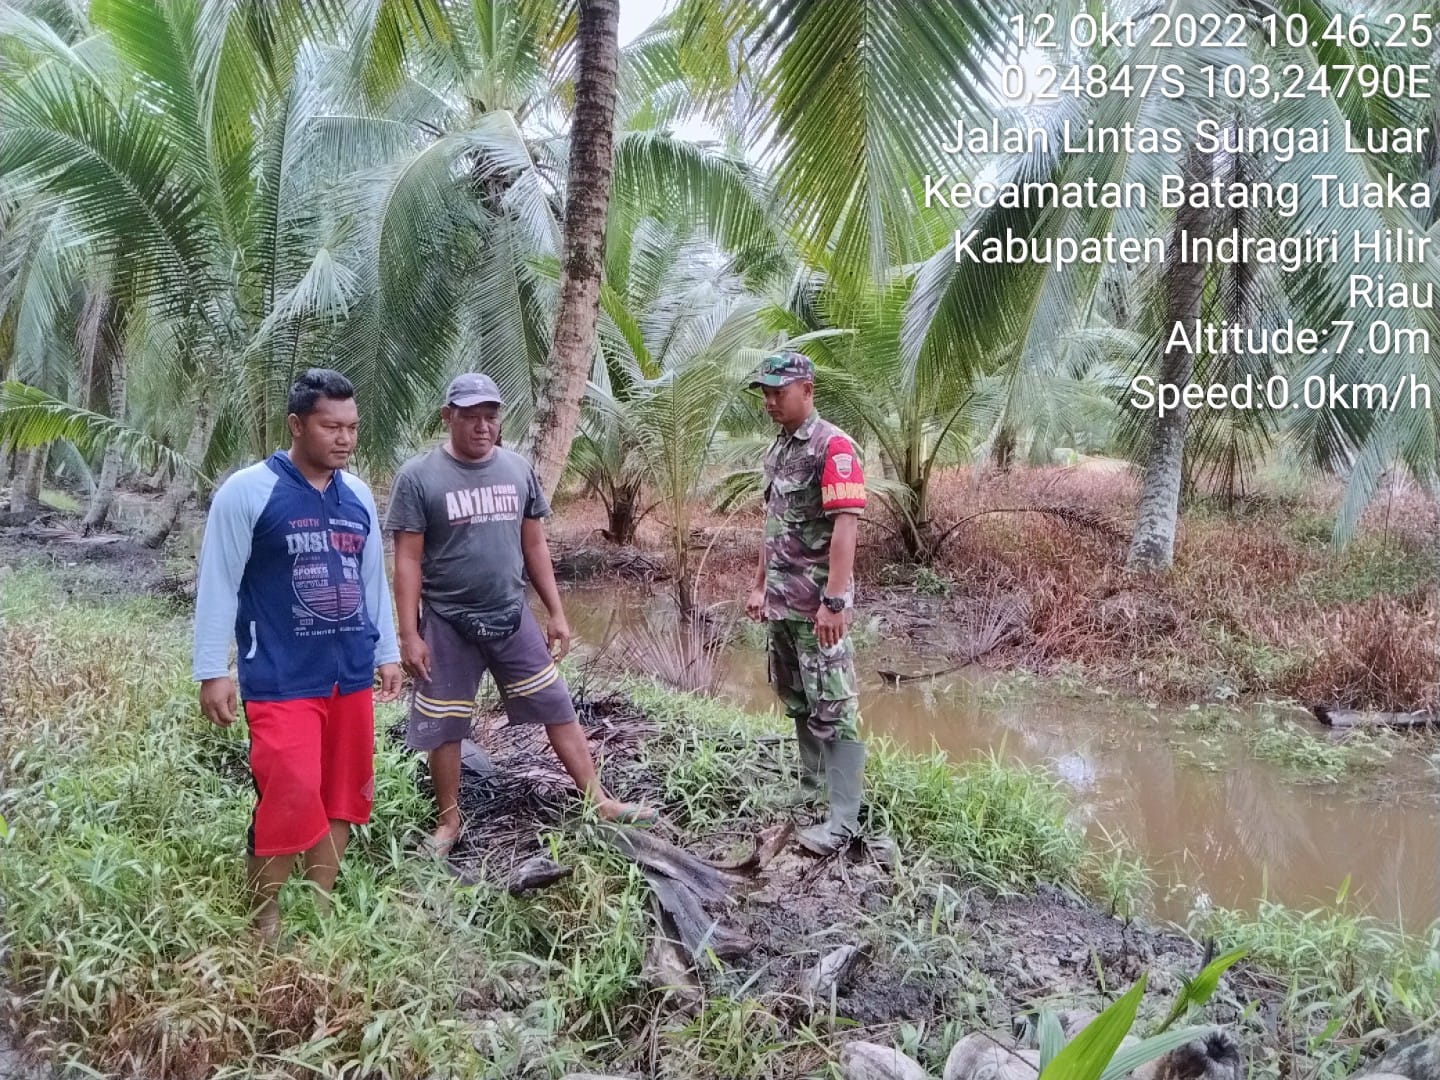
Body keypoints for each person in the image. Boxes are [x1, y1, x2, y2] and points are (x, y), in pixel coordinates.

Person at [385, 373, 656, 857]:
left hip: (511, 615)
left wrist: (556, 611)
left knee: (556, 702)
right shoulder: (419, 477)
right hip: (447, 621)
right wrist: (409, 633)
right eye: (470, 417)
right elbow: (407, 559)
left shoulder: (516, 469)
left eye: (490, 416)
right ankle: (449, 821)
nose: (482, 426)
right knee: (445, 724)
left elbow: (534, 543)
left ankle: (598, 799)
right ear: (448, 417)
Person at [193, 369, 402, 941]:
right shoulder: (248, 492)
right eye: (330, 426)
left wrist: (387, 651)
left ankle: (323, 909)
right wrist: (214, 669)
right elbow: (219, 581)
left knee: (342, 795)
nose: (344, 438)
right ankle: (264, 917)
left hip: (350, 675)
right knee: (288, 793)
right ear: (296, 424)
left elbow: (371, 583)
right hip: (282, 675)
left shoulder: (357, 497)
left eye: (352, 427)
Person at [745, 351, 869, 854]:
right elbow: (774, 525)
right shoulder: (780, 448)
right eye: (766, 393)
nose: (770, 401)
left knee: (834, 703)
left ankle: (844, 818)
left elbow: (846, 527)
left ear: (808, 389)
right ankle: (812, 784)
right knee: (797, 695)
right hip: (782, 601)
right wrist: (759, 585)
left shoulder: (832, 447)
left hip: (819, 605)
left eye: (780, 392)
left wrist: (835, 601)